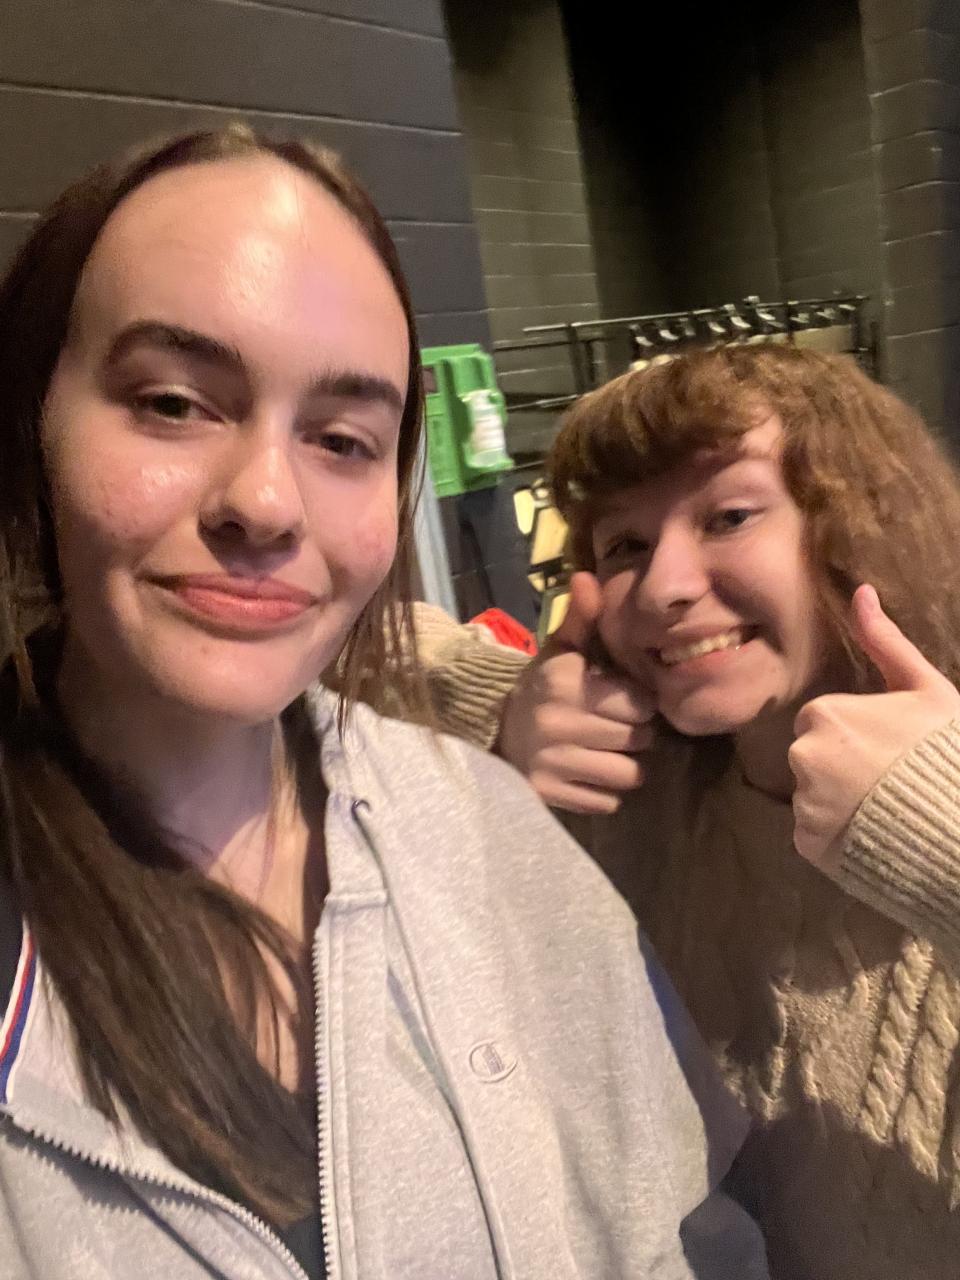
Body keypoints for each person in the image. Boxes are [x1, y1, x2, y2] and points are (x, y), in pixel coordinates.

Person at [0, 125, 770, 1280]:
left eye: (342, 438)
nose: (267, 500)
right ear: (31, 423)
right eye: (173, 402)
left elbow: (687, 1236)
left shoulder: (490, 835)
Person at [418, 345, 960, 1280]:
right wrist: (501, 716)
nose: (665, 585)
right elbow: (355, 648)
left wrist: (937, 826)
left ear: (864, 528)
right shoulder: (640, 788)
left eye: (729, 517)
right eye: (624, 545)